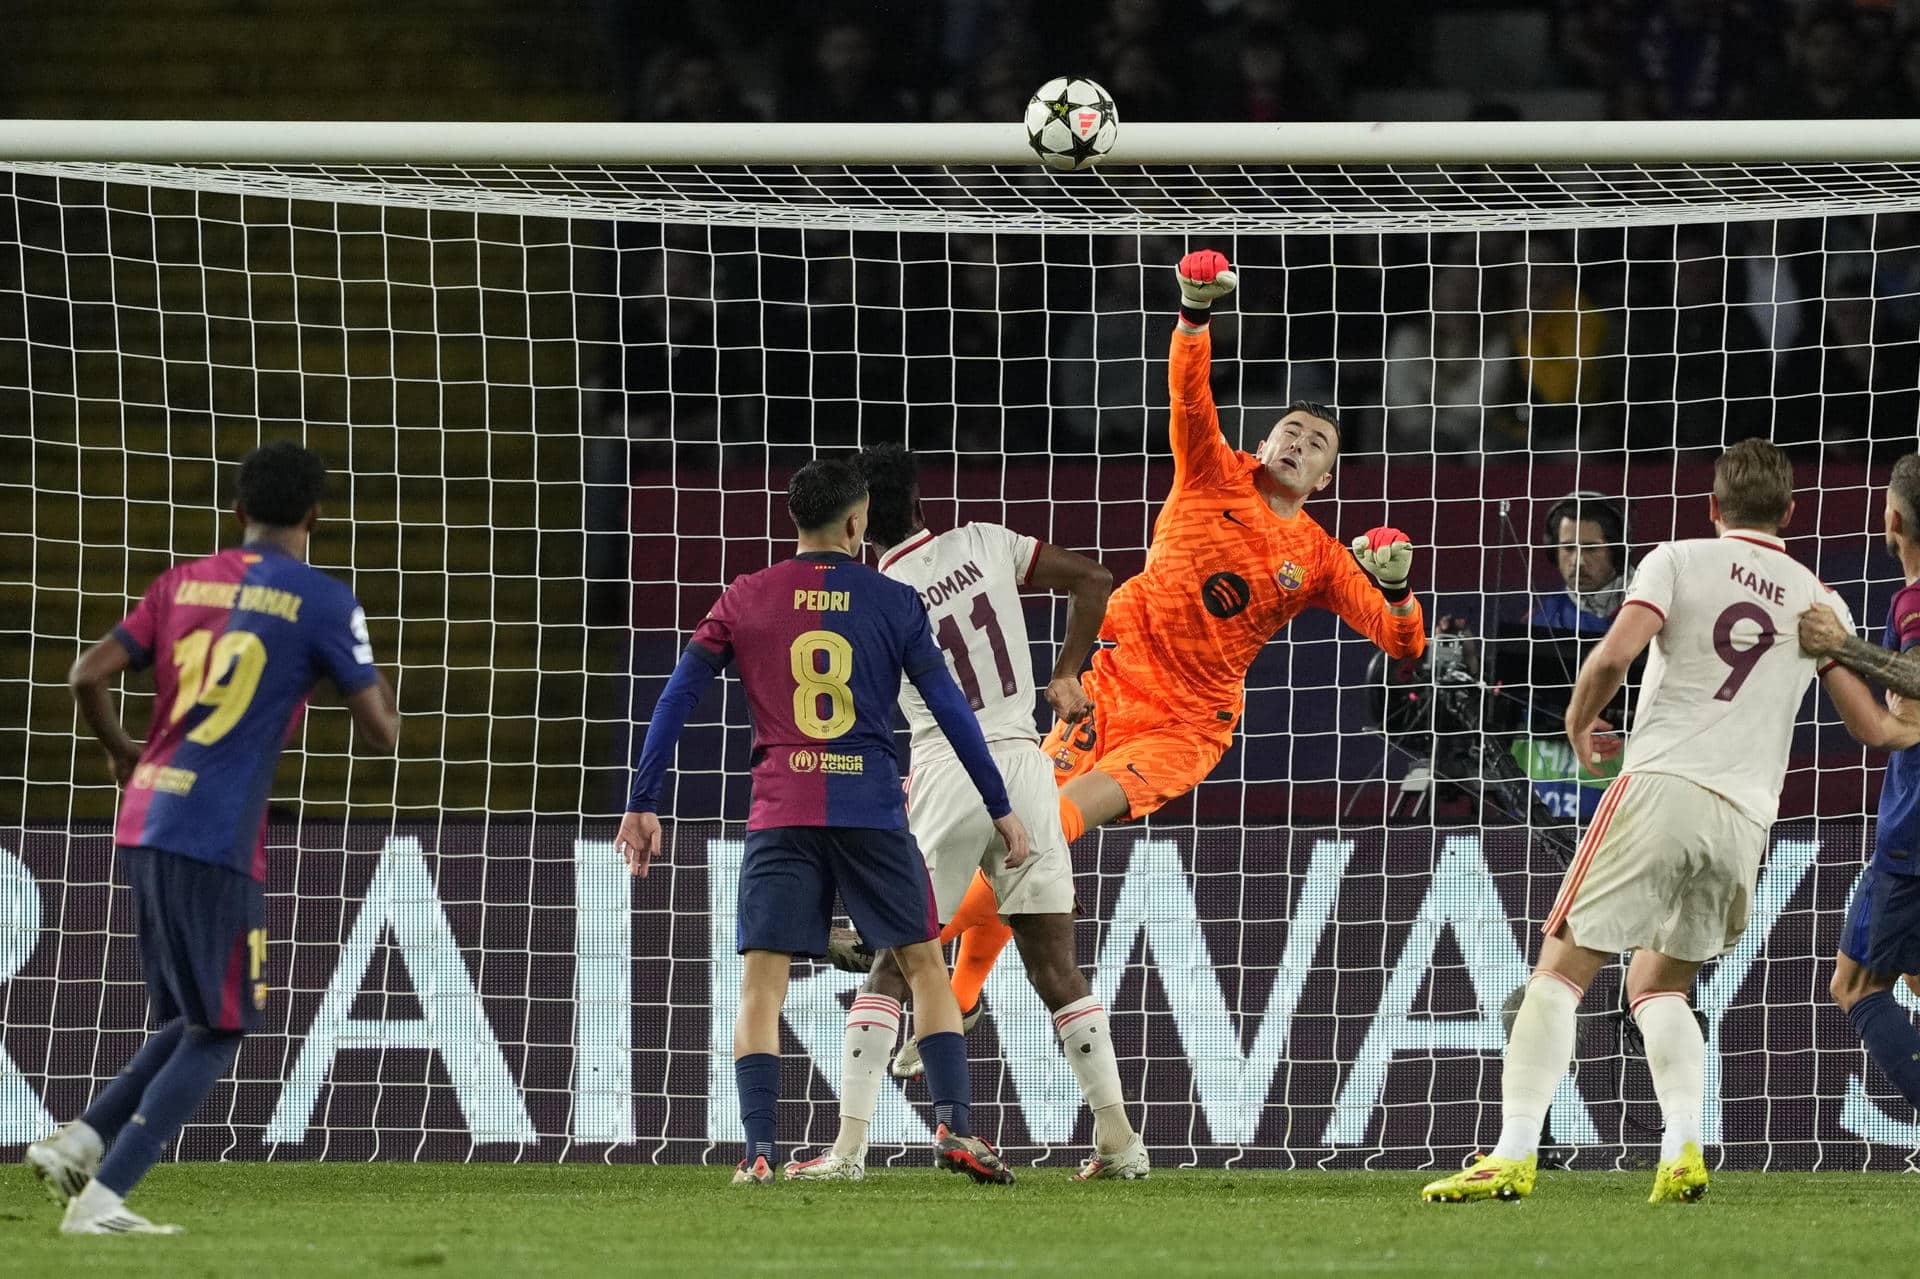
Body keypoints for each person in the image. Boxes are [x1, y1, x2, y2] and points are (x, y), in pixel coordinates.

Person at [904, 249, 1427, 1054]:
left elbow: (1402, 641)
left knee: (1047, 825)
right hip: (1108, 684)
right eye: (1290, 429)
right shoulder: (1213, 471)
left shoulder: (1320, 557)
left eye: (1317, 442)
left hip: (1184, 725)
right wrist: (1193, 313)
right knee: (1013, 840)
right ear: (1264, 440)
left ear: (1326, 477)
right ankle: (962, 994)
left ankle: (924, 933)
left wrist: (1396, 590)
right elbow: (1189, 393)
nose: (1299, 442)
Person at [1422, 439, 1920, 1206]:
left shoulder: (1677, 558)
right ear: (1791, 512)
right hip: (1745, 823)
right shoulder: (1822, 603)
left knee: (1558, 971)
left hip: (1660, 785)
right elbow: (1876, 730)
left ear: (1713, 506)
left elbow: (1613, 657)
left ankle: (1511, 1149)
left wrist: (1581, 724)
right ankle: (1683, 1147)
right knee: (1659, 983)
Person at [616, 458, 1030, 1187]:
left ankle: (759, 1152)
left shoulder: (745, 597)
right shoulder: (894, 601)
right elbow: (953, 711)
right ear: (856, 523)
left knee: (760, 986)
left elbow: (677, 695)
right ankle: (958, 1127)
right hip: (871, 809)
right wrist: (1001, 806)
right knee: (926, 965)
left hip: (782, 811)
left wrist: (643, 798)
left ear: (795, 520)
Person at [25, 442, 399, 1234]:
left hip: (145, 821)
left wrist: (123, 753)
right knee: (224, 1024)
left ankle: (79, 1143)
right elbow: (382, 731)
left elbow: (85, 676)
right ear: (316, 516)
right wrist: (340, 661)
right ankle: (101, 1197)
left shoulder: (179, 582)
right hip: (216, 833)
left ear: (237, 513)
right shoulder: (324, 600)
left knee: (189, 1016)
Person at [790, 443, 1145, 1182]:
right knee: (1057, 966)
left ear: (859, 526)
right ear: (922, 502)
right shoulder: (986, 540)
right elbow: (1095, 578)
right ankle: (1120, 1140)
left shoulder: (875, 588)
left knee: (895, 961)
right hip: (1025, 764)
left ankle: (849, 1148)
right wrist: (1066, 672)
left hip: (949, 769)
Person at [1799, 453, 1920, 1109]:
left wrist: (1842, 649)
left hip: (1914, 830)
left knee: (1856, 984)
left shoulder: (1914, 599)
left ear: (1892, 518)